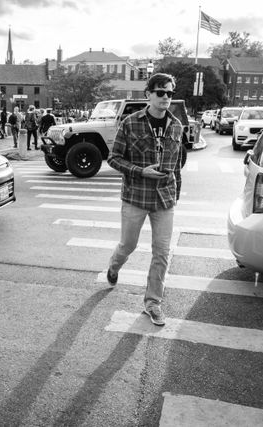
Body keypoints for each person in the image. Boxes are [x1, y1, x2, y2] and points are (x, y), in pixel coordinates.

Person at [105, 73, 185, 327]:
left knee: (162, 252)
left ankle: (153, 303)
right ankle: (114, 266)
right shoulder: (130, 122)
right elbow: (113, 158)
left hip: (165, 199)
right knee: (128, 245)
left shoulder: (177, 126)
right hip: (136, 196)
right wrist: (141, 171)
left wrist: (176, 195)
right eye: (160, 92)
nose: (165, 98)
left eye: (170, 93)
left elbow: (178, 166)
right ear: (147, 94)